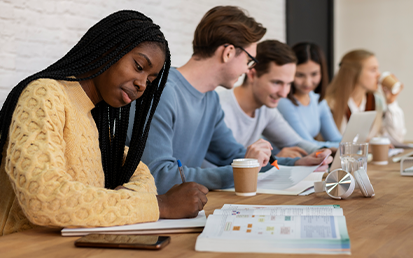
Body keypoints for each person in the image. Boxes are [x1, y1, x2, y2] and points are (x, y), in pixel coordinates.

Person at [0, 10, 208, 236]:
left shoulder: (98, 118)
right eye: (139, 66)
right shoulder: (45, 95)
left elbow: (142, 176)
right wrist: (162, 205)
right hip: (22, 248)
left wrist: (119, 200)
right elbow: (44, 198)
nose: (141, 84)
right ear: (110, 48)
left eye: (149, 80)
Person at [128, 6, 332, 195]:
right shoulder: (163, 93)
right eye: (249, 60)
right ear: (228, 52)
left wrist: (295, 163)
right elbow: (159, 177)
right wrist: (242, 170)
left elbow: (233, 155)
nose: (248, 69)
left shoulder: (210, 100)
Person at [219, 40, 322, 159]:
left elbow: (295, 143)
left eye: (288, 84)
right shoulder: (222, 109)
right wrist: (275, 158)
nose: (284, 94)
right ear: (252, 75)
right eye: (277, 82)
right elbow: (226, 161)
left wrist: (326, 152)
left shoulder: (265, 108)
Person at [325, 49, 406, 144]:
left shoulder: (376, 101)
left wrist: (391, 102)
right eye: (373, 70)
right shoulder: (330, 104)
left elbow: (396, 139)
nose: (379, 74)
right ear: (354, 73)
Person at [277, 42, 341, 148]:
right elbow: (307, 145)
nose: (307, 82)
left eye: (314, 74)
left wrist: (352, 146)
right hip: (284, 162)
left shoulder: (318, 100)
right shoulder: (283, 102)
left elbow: (336, 138)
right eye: (300, 75)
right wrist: (347, 147)